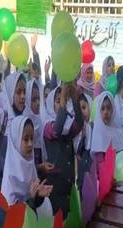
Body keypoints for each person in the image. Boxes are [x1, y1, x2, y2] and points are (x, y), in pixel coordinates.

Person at [42, 83, 83, 217]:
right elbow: (57, 129)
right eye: (58, 101)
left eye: (63, 100)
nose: (61, 103)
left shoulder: (68, 124)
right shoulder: (47, 125)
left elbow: (79, 123)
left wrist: (74, 99)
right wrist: (64, 101)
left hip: (68, 182)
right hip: (55, 184)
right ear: (50, 103)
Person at [90, 91, 123, 172]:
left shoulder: (117, 131)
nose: (105, 112)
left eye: (108, 108)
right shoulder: (98, 133)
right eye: (102, 109)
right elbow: (98, 164)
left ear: (113, 110)